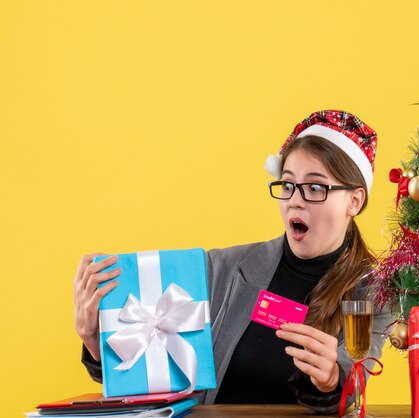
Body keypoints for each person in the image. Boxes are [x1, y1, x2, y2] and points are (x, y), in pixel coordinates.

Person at [73, 110, 391, 414]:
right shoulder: (221, 268)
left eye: (315, 187)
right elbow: (153, 373)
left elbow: (353, 390)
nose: (295, 199)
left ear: (354, 201)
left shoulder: (376, 293)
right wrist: (94, 340)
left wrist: (332, 379)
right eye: (289, 184)